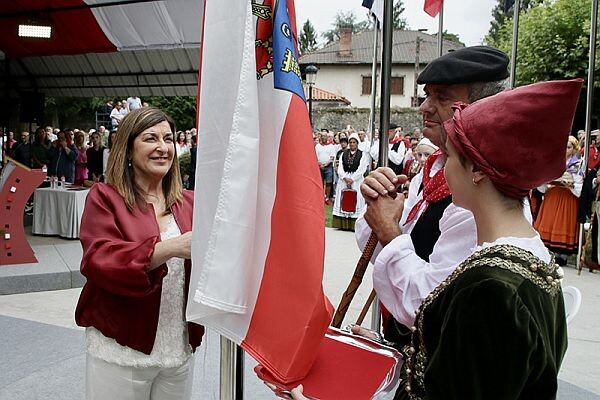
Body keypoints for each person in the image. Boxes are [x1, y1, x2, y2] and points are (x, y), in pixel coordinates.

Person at [291, 79, 580, 400]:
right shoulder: (532, 258)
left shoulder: (490, 287)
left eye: (452, 158)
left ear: (478, 172)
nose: (442, 169)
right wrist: (395, 351)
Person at [355, 46, 512, 346]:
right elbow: (381, 257)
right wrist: (378, 209)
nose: (425, 107)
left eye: (441, 97)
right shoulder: (432, 171)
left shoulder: (481, 194)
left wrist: (390, 233)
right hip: (412, 353)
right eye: (427, 95)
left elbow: (429, 303)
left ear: (481, 107)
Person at [75, 107, 205, 399]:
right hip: (121, 347)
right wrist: (171, 248)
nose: (162, 147)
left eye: (168, 139)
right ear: (129, 150)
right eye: (150, 138)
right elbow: (98, 260)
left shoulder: (191, 202)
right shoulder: (105, 198)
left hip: (177, 347)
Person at [534, 135, 583, 265]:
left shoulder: (577, 163)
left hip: (567, 197)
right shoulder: (554, 161)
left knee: (563, 222)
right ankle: (547, 251)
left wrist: (571, 184)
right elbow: (543, 180)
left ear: (574, 149)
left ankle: (562, 254)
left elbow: (580, 182)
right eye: (564, 147)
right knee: (549, 220)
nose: (566, 150)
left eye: (569, 147)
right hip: (552, 195)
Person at [331, 133, 369, 230]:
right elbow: (340, 167)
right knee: (343, 199)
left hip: (356, 180)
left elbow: (362, 169)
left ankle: (354, 224)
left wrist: (352, 179)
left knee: (356, 201)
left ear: (357, 143)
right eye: (350, 142)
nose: (352, 144)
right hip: (344, 179)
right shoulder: (344, 153)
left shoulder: (362, 154)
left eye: (354, 142)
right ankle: (342, 224)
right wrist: (344, 177)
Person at [315, 131, 336, 205]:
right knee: (320, 182)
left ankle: (327, 198)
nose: (323, 137)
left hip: (328, 166)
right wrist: (320, 164)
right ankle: (320, 197)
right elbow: (315, 157)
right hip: (319, 166)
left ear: (327, 137)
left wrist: (325, 164)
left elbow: (332, 157)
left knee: (329, 182)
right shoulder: (317, 146)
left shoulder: (331, 146)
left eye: (325, 136)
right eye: (322, 136)